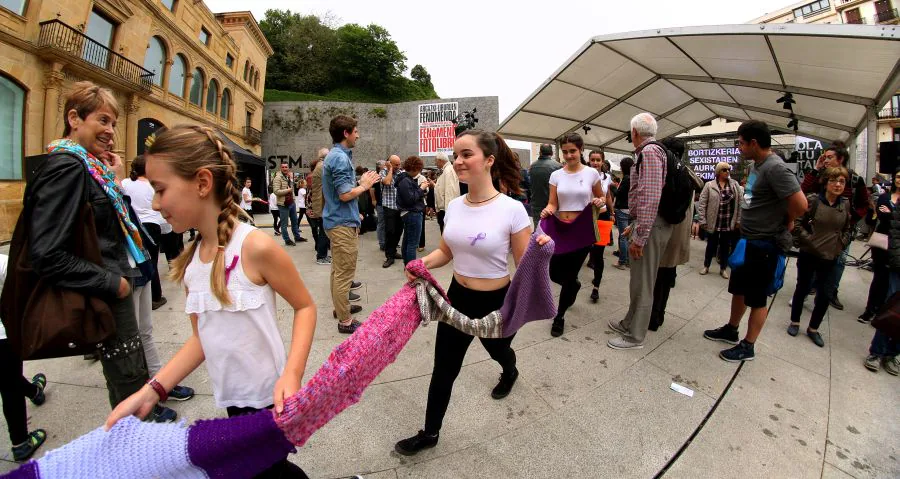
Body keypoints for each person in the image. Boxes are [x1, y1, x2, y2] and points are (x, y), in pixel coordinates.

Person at [105, 125, 317, 478]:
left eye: (160, 189)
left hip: (271, 396)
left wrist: (292, 374)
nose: (155, 203)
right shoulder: (190, 264)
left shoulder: (256, 247)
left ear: (202, 183)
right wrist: (153, 391)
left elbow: (305, 306)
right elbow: (201, 337)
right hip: (232, 399)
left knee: (269, 470)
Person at [394, 130, 546, 456]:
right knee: (444, 368)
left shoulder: (512, 210)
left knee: (498, 351)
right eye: (456, 155)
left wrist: (542, 250)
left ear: (489, 160)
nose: (458, 161)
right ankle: (430, 433)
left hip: (496, 302)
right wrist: (422, 263)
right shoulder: (455, 205)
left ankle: (510, 370)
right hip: (455, 299)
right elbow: (446, 252)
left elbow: (524, 267)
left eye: (466, 154)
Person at [30, 81, 150, 408]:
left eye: (113, 123)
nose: (111, 131)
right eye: (103, 120)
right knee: (131, 390)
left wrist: (113, 180)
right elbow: (47, 253)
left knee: (130, 382)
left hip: (111, 283)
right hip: (106, 290)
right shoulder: (67, 168)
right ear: (74, 118)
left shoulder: (89, 168)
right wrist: (115, 285)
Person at [704, 120, 807, 362]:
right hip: (747, 241)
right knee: (739, 290)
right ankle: (731, 329)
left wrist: (787, 220)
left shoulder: (775, 168)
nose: (738, 148)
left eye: (740, 143)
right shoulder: (757, 166)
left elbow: (801, 205)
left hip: (765, 244)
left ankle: (748, 345)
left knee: (757, 298)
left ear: (754, 143)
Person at [607, 113, 673, 350]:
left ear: (634, 132)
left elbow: (650, 197)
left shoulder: (650, 153)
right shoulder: (651, 152)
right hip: (648, 224)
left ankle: (635, 336)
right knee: (637, 281)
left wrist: (640, 236)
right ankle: (628, 323)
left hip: (651, 228)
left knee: (643, 283)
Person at [541, 132, 605, 337]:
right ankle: (575, 285)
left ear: (581, 150)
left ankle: (559, 316)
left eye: (573, 151)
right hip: (560, 229)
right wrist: (548, 210)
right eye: (565, 152)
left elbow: (600, 197)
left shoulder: (591, 174)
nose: (569, 155)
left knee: (568, 276)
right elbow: (553, 202)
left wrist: (599, 201)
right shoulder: (556, 175)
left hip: (581, 231)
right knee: (553, 273)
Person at [322, 115, 380, 333]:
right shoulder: (339, 158)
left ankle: (341, 309)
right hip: (341, 224)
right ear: (346, 133)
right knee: (344, 272)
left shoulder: (336, 156)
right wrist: (364, 185)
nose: (358, 134)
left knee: (338, 271)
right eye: (355, 131)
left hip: (339, 220)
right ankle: (345, 321)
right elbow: (345, 195)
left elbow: (342, 193)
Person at [800, 143, 869, 310]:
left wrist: (849, 223)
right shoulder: (821, 176)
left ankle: (830, 291)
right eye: (825, 157)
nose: (826, 160)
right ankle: (812, 288)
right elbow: (803, 191)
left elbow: (863, 204)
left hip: (840, 231)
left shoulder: (853, 179)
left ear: (841, 159)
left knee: (839, 261)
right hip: (819, 228)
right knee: (815, 259)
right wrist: (816, 169)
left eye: (830, 157)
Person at [789, 167, 852, 348]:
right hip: (810, 253)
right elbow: (797, 222)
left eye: (842, 181)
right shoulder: (813, 201)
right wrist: (810, 241)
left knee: (825, 294)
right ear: (825, 182)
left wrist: (841, 243)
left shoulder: (845, 204)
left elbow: (848, 228)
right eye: (834, 180)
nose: (838, 185)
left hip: (831, 256)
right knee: (803, 287)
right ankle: (795, 321)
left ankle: (813, 328)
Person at [0, 254, 49, 461]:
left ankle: (33, 391)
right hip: (2, 336)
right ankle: (20, 442)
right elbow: (23, 275)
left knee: (6, 375)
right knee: (9, 385)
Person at [649, 138, 695, 332]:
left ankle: (653, 317)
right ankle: (658, 316)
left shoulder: (671, 175)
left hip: (667, 233)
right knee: (665, 279)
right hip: (679, 235)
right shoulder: (687, 174)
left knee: (657, 279)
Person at [860, 172, 899, 323]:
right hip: (882, 241)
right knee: (879, 277)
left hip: (897, 245)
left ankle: (884, 312)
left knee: (892, 281)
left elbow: (890, 218)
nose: (899, 180)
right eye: (897, 177)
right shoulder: (885, 197)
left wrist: (891, 214)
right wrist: (894, 216)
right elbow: (882, 217)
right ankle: (870, 310)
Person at [697, 162, 743, 278]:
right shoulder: (709, 185)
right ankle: (706, 266)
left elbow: (740, 203)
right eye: (724, 170)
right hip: (714, 221)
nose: (727, 171)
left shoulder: (734, 185)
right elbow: (702, 204)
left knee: (725, 246)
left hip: (728, 222)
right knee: (711, 245)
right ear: (718, 172)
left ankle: (723, 268)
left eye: (728, 169)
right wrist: (702, 220)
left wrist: (738, 220)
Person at [587, 150, 616, 303]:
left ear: (603, 161)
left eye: (598, 160)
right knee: (582, 249)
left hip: (603, 216)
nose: (595, 162)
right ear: (589, 160)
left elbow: (608, 196)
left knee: (598, 253)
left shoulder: (607, 177)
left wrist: (612, 212)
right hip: (586, 217)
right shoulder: (583, 175)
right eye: (593, 159)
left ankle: (596, 286)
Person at [395, 156, 430, 265]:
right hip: (412, 213)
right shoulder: (406, 180)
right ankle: (412, 270)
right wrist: (422, 188)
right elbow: (410, 199)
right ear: (415, 168)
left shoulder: (404, 179)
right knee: (412, 244)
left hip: (408, 213)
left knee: (407, 242)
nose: (419, 172)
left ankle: (408, 267)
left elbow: (410, 196)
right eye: (419, 169)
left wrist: (419, 190)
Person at [272, 162, 306, 246]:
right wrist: (288, 190)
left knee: (294, 221)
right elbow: (276, 191)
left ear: (288, 168)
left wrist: (293, 199)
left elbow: (292, 189)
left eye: (286, 167)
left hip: (291, 203)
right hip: (283, 204)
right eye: (283, 167)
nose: (284, 168)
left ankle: (297, 237)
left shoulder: (288, 177)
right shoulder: (277, 178)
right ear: (280, 168)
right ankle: (287, 240)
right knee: (284, 224)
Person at [529, 143, 562, 226]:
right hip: (553, 205)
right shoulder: (557, 166)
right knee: (553, 232)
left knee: (539, 230)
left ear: (540, 152)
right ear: (552, 153)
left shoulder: (532, 166)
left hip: (536, 204)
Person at [381, 155, 405, 268]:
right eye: (396, 164)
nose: (398, 166)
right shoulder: (383, 172)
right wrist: (390, 169)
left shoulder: (401, 172)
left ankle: (394, 250)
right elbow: (387, 182)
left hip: (400, 207)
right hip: (389, 207)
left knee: (399, 230)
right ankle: (389, 256)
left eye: (399, 164)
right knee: (390, 232)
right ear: (389, 163)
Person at [308, 152, 331, 265]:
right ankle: (321, 256)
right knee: (324, 232)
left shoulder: (319, 166)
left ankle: (323, 255)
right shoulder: (322, 167)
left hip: (320, 205)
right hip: (322, 206)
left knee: (324, 231)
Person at [613, 157, 634, 270]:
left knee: (623, 236)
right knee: (629, 236)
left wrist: (613, 187)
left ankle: (622, 261)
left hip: (622, 209)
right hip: (631, 209)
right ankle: (629, 261)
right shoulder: (635, 177)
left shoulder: (626, 178)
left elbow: (619, 193)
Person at [434, 152, 460, 233]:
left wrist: (448, 212)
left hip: (445, 210)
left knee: (446, 234)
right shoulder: (446, 170)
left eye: (436, 161)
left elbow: (450, 191)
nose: (435, 163)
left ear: (440, 160)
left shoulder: (448, 170)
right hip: (444, 209)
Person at [374, 160, 386, 249]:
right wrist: (374, 200)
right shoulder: (376, 176)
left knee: (386, 223)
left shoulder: (385, 174)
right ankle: (382, 243)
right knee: (381, 223)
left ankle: (387, 241)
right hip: (380, 202)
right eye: (384, 165)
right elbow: (372, 189)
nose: (386, 166)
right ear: (379, 167)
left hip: (385, 202)